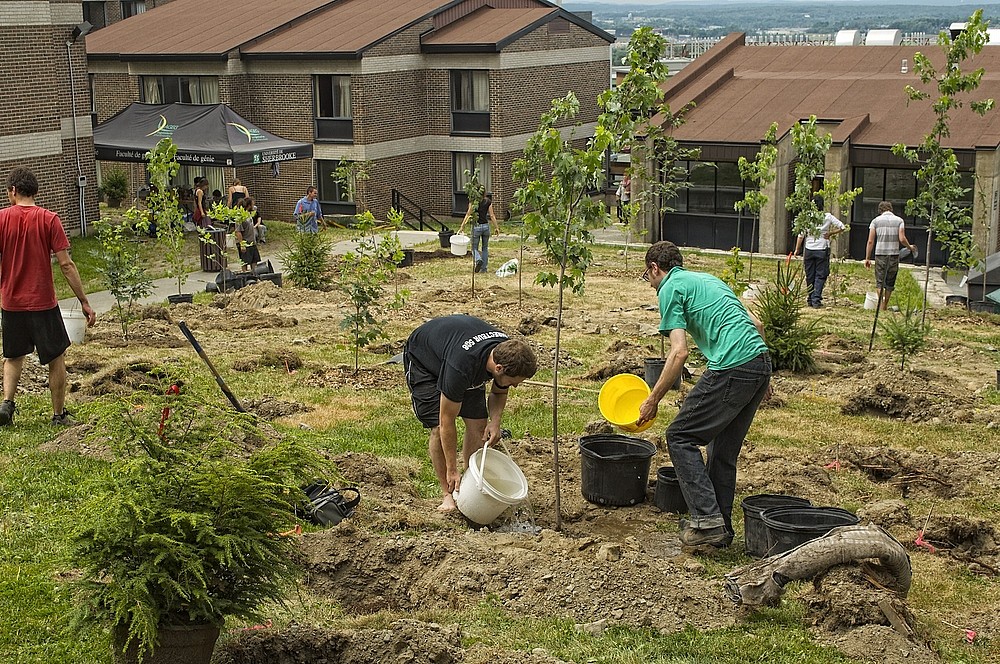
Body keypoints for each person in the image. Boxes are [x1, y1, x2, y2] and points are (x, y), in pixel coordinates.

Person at [637, 241, 771, 549]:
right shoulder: (707, 280)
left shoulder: (670, 288)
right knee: (722, 452)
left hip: (732, 364)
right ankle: (720, 531)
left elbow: (679, 352)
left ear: (655, 269)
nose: (651, 283)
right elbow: (757, 324)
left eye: (648, 276)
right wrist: (762, 377)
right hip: (759, 363)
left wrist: (653, 399)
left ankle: (707, 520)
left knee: (680, 436)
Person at [403, 315, 537, 512]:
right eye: (514, 381)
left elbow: (499, 391)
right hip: (425, 360)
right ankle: (448, 494)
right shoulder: (461, 366)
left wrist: (496, 421)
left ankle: (468, 484)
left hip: (459, 352)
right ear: (498, 368)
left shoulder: (506, 352)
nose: (515, 386)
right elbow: (446, 421)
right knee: (437, 427)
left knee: (478, 425)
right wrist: (452, 469)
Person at [0, 167, 97, 427]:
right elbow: (66, 264)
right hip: (43, 302)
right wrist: (84, 301)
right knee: (56, 358)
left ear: (13, 191)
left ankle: (7, 405)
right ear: (35, 191)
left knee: (13, 356)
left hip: (11, 303)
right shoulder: (49, 219)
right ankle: (58, 415)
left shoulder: (1, 219)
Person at [793, 194, 845, 308]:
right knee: (821, 275)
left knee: (809, 275)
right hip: (822, 247)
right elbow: (842, 226)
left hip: (809, 248)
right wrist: (830, 233)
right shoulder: (827, 216)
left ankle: (810, 298)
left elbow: (801, 235)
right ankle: (816, 299)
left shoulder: (807, 217)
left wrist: (797, 249)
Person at [864, 201, 917, 311]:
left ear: (880, 210)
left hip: (880, 254)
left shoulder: (875, 221)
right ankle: (885, 305)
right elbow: (902, 239)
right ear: (891, 209)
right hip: (894, 254)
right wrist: (909, 247)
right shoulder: (899, 221)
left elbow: (870, 241)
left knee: (879, 281)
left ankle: (881, 303)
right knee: (890, 282)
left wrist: (868, 258)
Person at [458, 189, 499, 273]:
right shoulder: (488, 201)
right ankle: (484, 269)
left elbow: (468, 214)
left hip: (476, 226)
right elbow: (492, 215)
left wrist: (462, 226)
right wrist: (496, 227)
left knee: (474, 247)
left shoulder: (473, 202)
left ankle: (478, 259)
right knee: (485, 248)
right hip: (486, 226)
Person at [234, 198, 260, 273]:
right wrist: (242, 244)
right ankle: (245, 274)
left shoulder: (248, 214)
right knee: (245, 261)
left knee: (254, 260)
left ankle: (254, 274)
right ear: (248, 205)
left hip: (252, 242)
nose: (254, 206)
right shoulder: (240, 217)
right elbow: (238, 232)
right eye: (252, 204)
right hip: (245, 242)